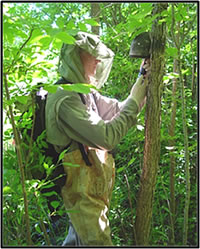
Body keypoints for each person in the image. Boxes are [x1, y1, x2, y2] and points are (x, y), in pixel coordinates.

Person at [45, 31, 150, 246]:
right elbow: (107, 137)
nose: (97, 61)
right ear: (75, 58)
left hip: (88, 189)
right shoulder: (65, 98)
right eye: (90, 56)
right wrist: (134, 100)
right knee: (97, 242)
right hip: (79, 191)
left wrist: (143, 78)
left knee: (76, 241)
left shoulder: (84, 93)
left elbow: (120, 109)